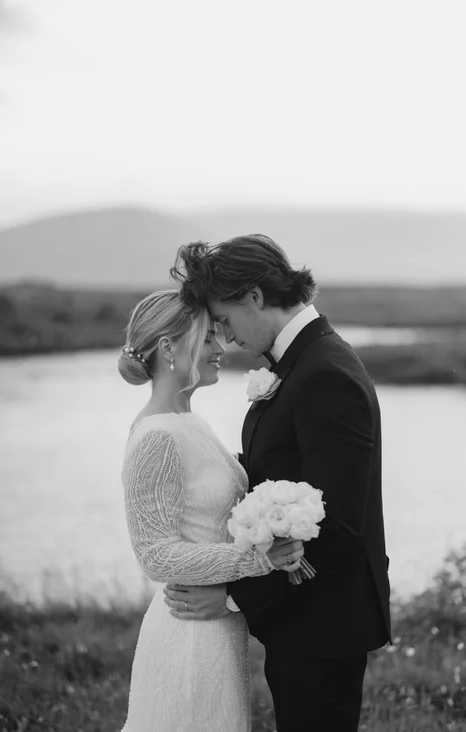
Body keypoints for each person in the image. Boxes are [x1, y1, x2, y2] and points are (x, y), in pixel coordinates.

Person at [166, 236, 392, 732]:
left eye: (223, 319)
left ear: (253, 295)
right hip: (304, 619)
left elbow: (338, 526)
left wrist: (232, 596)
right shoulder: (300, 364)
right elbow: (279, 467)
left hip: (325, 622)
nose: (224, 337)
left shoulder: (324, 373)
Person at [118, 289, 304, 732]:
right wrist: (259, 559)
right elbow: (156, 555)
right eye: (206, 338)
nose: (220, 347)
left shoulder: (189, 422)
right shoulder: (157, 437)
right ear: (168, 348)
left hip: (216, 626)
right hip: (189, 636)